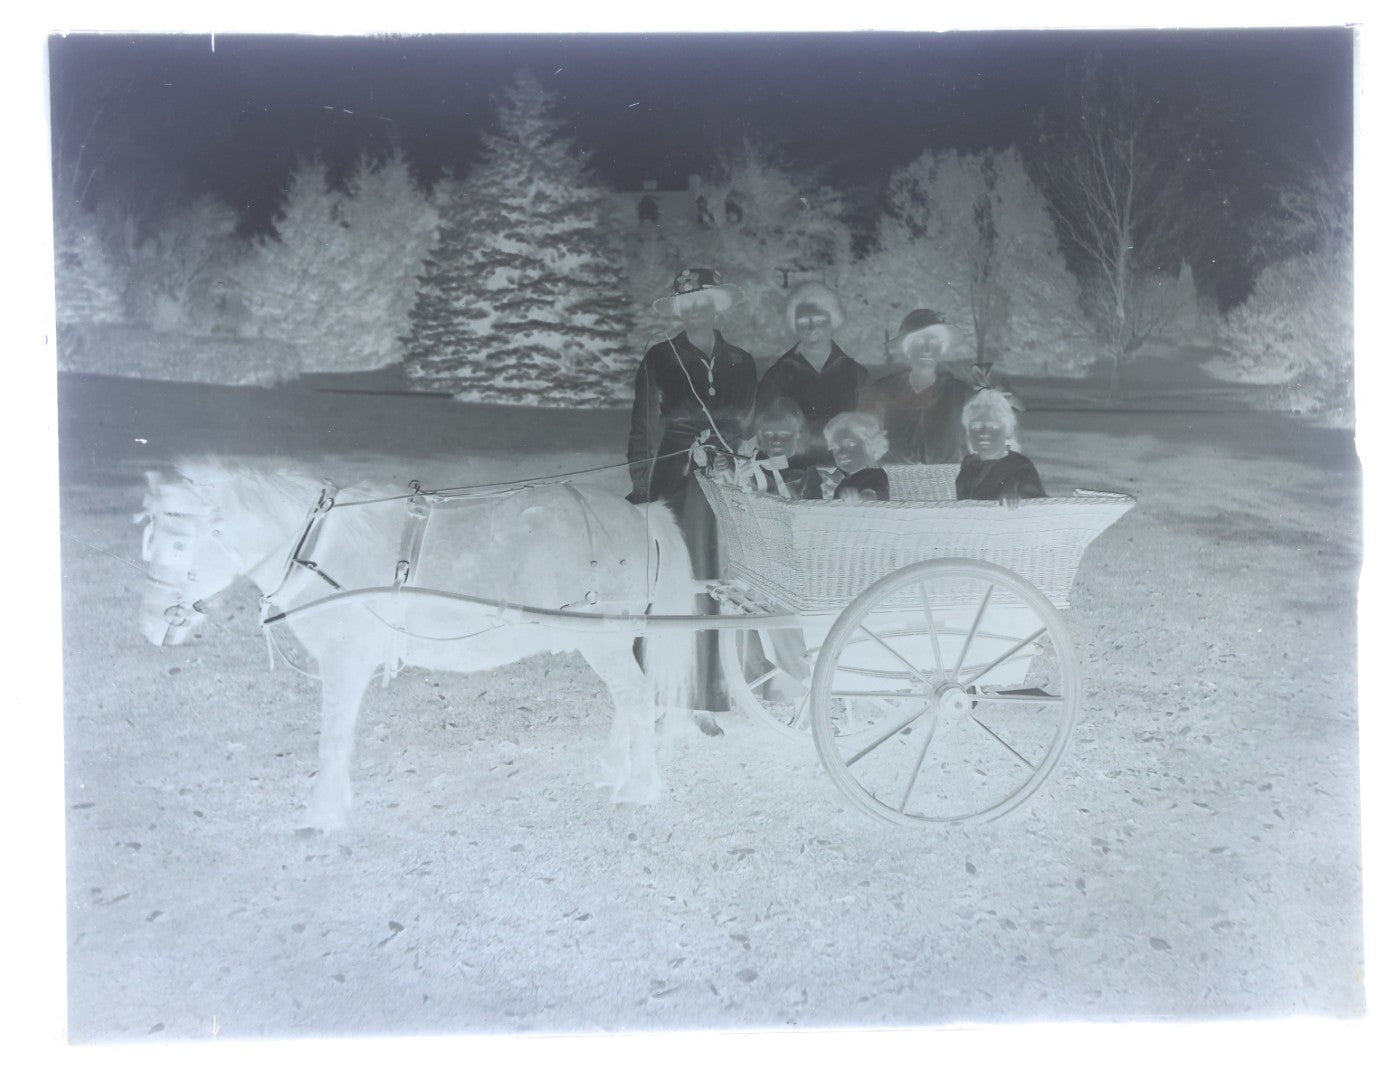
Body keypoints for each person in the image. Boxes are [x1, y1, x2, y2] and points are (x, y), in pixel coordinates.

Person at [626, 267, 757, 727]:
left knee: (718, 583)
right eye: (687, 303)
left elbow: (749, 428)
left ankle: (709, 697)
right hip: (675, 482)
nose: (696, 309)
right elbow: (643, 428)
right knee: (672, 585)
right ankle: (659, 695)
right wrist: (642, 488)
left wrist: (736, 461)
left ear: (717, 306)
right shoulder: (659, 358)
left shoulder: (742, 360)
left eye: (705, 301)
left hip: (726, 483)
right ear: (679, 310)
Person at [859, 308, 1020, 464]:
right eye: (919, 342)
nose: (927, 350)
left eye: (934, 342)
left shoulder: (959, 392)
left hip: (947, 481)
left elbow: (987, 431)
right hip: (892, 480)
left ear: (941, 349)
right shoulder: (883, 389)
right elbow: (864, 433)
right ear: (907, 349)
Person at [755, 281, 868, 464]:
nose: (811, 329)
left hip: (845, 471)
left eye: (819, 320)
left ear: (834, 319)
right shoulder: (777, 375)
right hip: (794, 474)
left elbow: (868, 434)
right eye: (802, 322)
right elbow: (765, 438)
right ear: (794, 325)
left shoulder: (856, 374)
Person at [954, 389, 1046, 507]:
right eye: (976, 427)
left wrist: (1019, 498)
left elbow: (1039, 506)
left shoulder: (1021, 466)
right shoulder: (968, 464)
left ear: (1007, 431)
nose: (984, 433)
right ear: (969, 434)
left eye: (993, 427)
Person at [744, 397, 823, 500]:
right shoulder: (755, 464)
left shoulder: (807, 473)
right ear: (760, 435)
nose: (776, 440)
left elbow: (814, 508)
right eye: (768, 434)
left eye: (784, 434)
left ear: (798, 435)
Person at [824, 412, 891, 502]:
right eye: (835, 447)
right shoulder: (846, 478)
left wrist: (859, 498)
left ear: (871, 446)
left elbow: (873, 495)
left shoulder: (875, 474)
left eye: (850, 445)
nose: (841, 453)